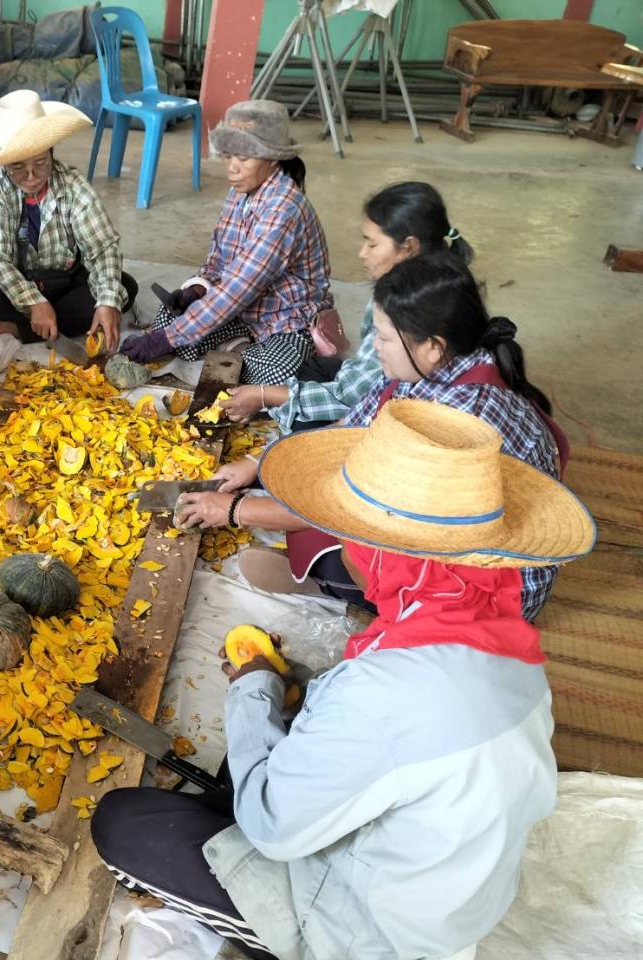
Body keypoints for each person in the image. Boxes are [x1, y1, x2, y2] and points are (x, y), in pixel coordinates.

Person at [92, 398, 595, 960]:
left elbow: (274, 828)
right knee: (284, 714)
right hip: (446, 889)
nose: (336, 540)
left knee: (122, 823)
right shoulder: (501, 640)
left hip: (371, 933)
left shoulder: (382, 696)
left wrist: (254, 682)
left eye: (347, 531)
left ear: (383, 555)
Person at [175, 253, 568, 621]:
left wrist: (231, 510)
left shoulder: (444, 425)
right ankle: (322, 569)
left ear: (432, 347)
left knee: (349, 552)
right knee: (306, 448)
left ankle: (326, 584)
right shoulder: (440, 367)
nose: (373, 349)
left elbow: (341, 505)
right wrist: (258, 466)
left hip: (495, 596)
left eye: (382, 338)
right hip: (440, 515)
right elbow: (348, 430)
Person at [219, 181, 473, 431]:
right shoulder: (416, 282)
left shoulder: (411, 306)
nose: (363, 253)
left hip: (390, 401)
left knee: (300, 424)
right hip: (380, 384)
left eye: (372, 244)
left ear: (409, 246)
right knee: (311, 369)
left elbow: (358, 397)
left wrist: (265, 396)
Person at [121, 99, 331, 383]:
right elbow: (219, 259)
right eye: (229, 156)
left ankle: (243, 348)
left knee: (275, 371)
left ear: (273, 158)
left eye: (244, 159)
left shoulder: (285, 209)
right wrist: (197, 288)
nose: (232, 168)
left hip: (284, 320)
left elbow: (238, 288)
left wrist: (166, 340)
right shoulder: (240, 192)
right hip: (240, 314)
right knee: (168, 316)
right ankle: (238, 345)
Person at [0, 89, 137, 351]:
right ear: (4, 164)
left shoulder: (72, 185)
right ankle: (38, 322)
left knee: (122, 288)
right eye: (17, 167)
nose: (31, 176)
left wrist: (106, 302)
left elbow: (102, 247)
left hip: (65, 283)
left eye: (40, 162)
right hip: (15, 287)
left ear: (52, 152)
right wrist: (34, 302)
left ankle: (21, 329)